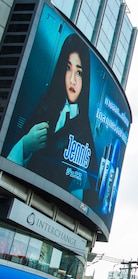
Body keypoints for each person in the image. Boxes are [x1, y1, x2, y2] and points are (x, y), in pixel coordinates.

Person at [7, 33, 96, 202]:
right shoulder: (45, 105)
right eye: (68, 68)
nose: (72, 80)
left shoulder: (84, 132)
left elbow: (83, 195)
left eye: (79, 73)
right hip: (17, 194)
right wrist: (25, 144)